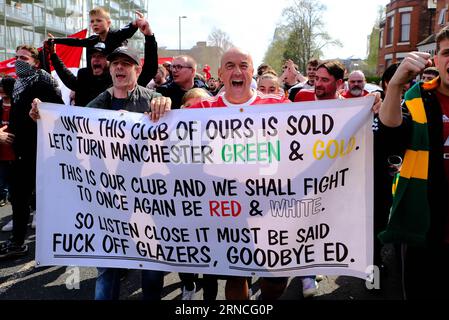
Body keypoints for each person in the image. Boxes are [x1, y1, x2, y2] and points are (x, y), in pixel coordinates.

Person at [29, 46, 171, 299]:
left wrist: (164, 104)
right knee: (108, 265)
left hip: (147, 197)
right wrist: (43, 115)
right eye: (115, 63)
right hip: (108, 197)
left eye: (126, 63)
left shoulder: (152, 99)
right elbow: (68, 123)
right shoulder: (99, 102)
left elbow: (172, 131)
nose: (119, 67)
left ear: (137, 70)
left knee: (152, 265)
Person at [187, 47, 290, 300]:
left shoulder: (279, 105)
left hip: (271, 205)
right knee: (236, 274)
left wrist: (364, 108)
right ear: (220, 74)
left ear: (252, 72)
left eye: (243, 65)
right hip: (227, 208)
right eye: (230, 66)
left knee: (276, 280)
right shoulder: (202, 109)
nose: (237, 71)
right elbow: (163, 130)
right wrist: (160, 104)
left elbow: (321, 124)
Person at [377, 27, 449, 300]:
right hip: (424, 225)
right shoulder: (420, 98)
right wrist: (395, 85)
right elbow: (391, 136)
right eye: (447, 52)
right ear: (437, 59)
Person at [0, 44, 64, 260]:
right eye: (16, 57)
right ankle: (17, 242)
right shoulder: (17, 82)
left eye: (24, 58)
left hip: (39, 150)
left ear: (36, 62)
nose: (18, 61)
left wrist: (42, 105)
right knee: (18, 198)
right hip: (19, 150)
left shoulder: (42, 79)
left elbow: (59, 108)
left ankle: (55, 245)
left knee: (46, 199)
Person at [49, 15, 158, 106]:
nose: (96, 59)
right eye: (93, 56)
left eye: (101, 56)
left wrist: (149, 37)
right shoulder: (84, 76)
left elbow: (149, 70)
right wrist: (53, 55)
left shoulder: (119, 80)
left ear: (109, 63)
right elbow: (69, 81)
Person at [50, 7, 141, 68]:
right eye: (92, 21)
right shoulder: (93, 40)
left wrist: (135, 23)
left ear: (108, 23)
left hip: (116, 76)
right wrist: (55, 40)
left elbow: (127, 31)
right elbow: (76, 41)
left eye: (99, 20)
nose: (95, 24)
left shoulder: (116, 35)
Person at [0, 77, 15, 210]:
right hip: (2, 155)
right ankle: (3, 197)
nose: (1, 89)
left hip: (17, 155)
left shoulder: (20, 106)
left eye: (5, 87)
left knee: (17, 188)